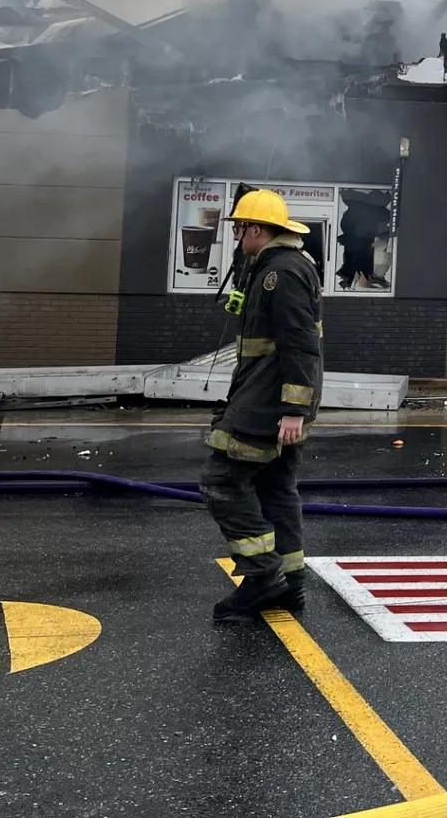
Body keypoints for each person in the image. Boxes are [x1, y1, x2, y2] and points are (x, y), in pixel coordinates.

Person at [200, 188, 325, 622]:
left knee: (222, 481)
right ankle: (289, 584)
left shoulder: (281, 273)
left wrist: (293, 408)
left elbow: (300, 343)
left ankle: (261, 576)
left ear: (256, 229)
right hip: (270, 394)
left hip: (268, 400)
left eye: (239, 230)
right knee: (275, 488)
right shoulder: (277, 267)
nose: (237, 238)